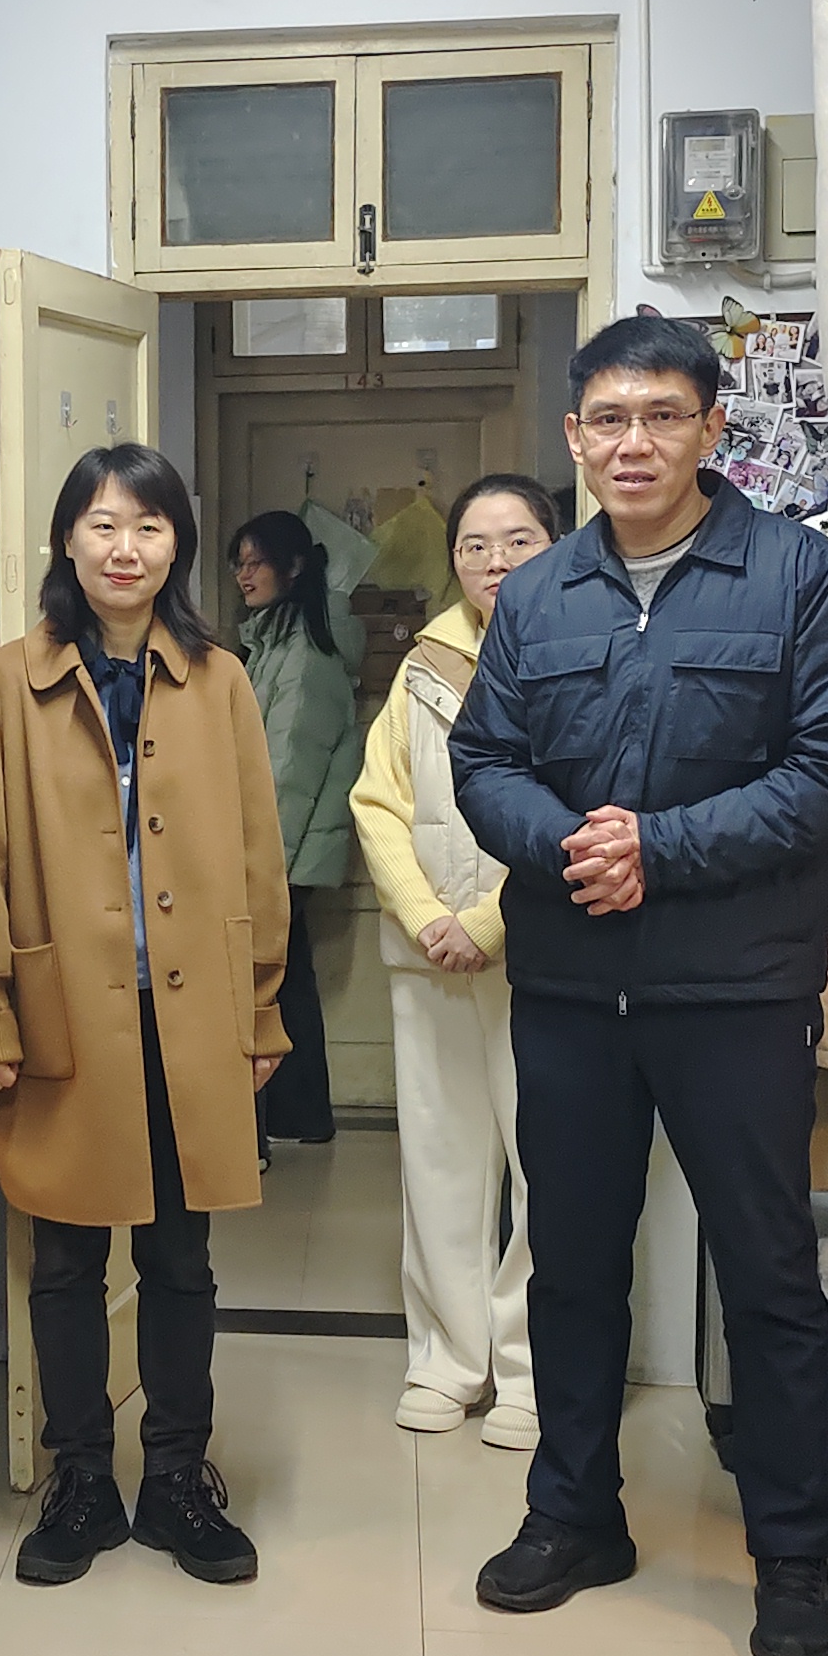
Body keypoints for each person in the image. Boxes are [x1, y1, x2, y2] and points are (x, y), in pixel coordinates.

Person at [448, 314, 828, 1656]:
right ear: (575, 438)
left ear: (710, 429)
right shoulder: (538, 596)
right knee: (573, 1265)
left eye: (661, 416)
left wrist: (662, 850)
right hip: (573, 988)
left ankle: (791, 1555)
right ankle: (575, 1514)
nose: (632, 443)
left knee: (765, 1272)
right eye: (608, 420)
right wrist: (565, 846)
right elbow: (484, 762)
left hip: (735, 992)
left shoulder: (802, 579)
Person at [0, 445, 288, 1590]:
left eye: (147, 526)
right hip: (61, 1013)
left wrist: (262, 1013)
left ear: (175, 543)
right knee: (63, 1258)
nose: (124, 548)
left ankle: (178, 1475)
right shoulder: (9, 683)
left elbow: (257, 858)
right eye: (102, 525)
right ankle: (81, 1477)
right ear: (66, 540)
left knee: (181, 1257)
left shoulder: (219, 681)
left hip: (190, 1013)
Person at [350, 473, 558, 1446]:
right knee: (437, 1161)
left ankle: (531, 1370)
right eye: (475, 545)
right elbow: (376, 801)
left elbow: (577, 808)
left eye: (518, 541)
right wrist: (429, 916)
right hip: (426, 954)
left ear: (556, 547)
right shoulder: (423, 661)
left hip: (540, 954)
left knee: (546, 1165)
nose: (495, 561)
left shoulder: (582, 652)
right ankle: (446, 1359)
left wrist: (488, 922)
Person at [229, 510, 362, 1148]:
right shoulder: (277, 641)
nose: (243, 575)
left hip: (286, 847)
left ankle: (295, 1116)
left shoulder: (304, 651)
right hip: (289, 847)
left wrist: (264, 867)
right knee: (288, 978)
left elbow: (289, 773)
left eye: (256, 562)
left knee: (277, 982)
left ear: (294, 566)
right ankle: (297, 1117)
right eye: (239, 563)